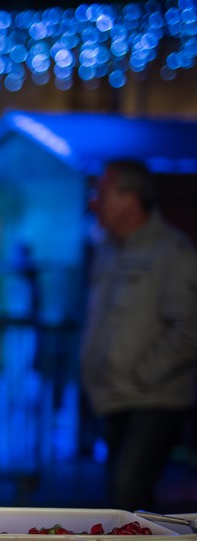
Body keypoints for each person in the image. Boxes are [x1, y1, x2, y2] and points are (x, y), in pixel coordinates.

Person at [80, 158, 197, 512]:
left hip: (153, 399)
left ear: (130, 197)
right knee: (121, 499)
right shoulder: (109, 251)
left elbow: (189, 328)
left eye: (102, 193)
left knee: (128, 489)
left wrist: (142, 374)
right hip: (116, 397)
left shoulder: (172, 253)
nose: (94, 202)